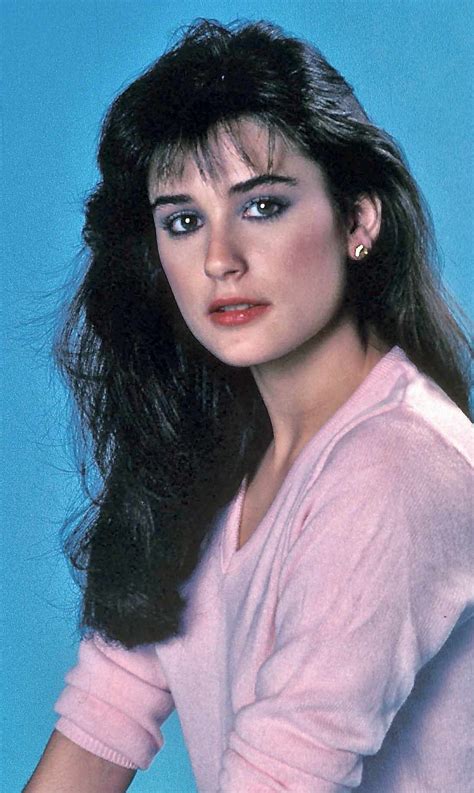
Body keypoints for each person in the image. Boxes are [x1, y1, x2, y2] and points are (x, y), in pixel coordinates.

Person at [24, 18, 472, 793]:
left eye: (261, 206)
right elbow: (104, 711)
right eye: (183, 220)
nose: (219, 259)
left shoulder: (396, 465)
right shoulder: (213, 451)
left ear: (358, 219)